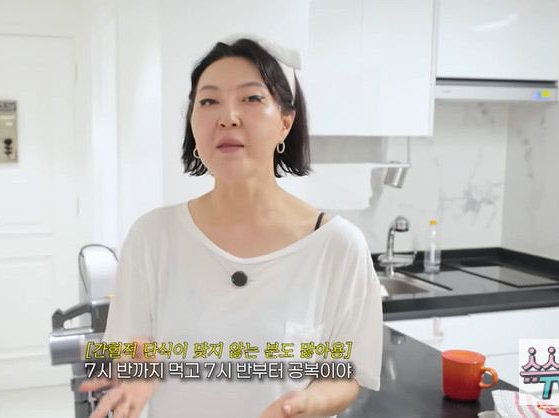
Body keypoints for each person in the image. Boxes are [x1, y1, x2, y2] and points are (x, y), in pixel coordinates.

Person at [84, 37, 383, 418]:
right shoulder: (152, 237)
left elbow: (347, 374)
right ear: (193, 125)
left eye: (251, 98)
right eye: (208, 101)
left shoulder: (337, 245)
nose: (227, 117)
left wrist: (307, 403)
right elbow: (128, 354)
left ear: (285, 123)